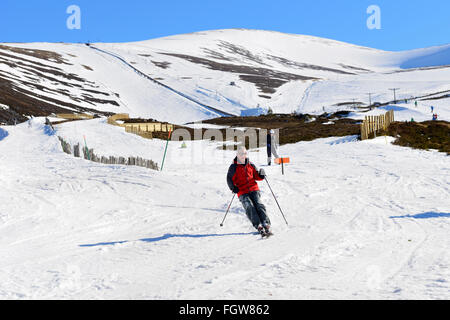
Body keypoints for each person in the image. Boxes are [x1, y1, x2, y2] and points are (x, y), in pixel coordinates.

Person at [227, 146, 272, 236]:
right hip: (242, 191)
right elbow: (229, 179)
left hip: (253, 188)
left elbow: (256, 176)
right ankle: (258, 224)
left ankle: (265, 222)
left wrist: (261, 175)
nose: (243, 155)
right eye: (241, 154)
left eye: (244, 153)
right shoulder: (233, 167)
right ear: (237, 155)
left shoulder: (250, 164)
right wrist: (233, 187)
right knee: (249, 206)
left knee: (258, 204)